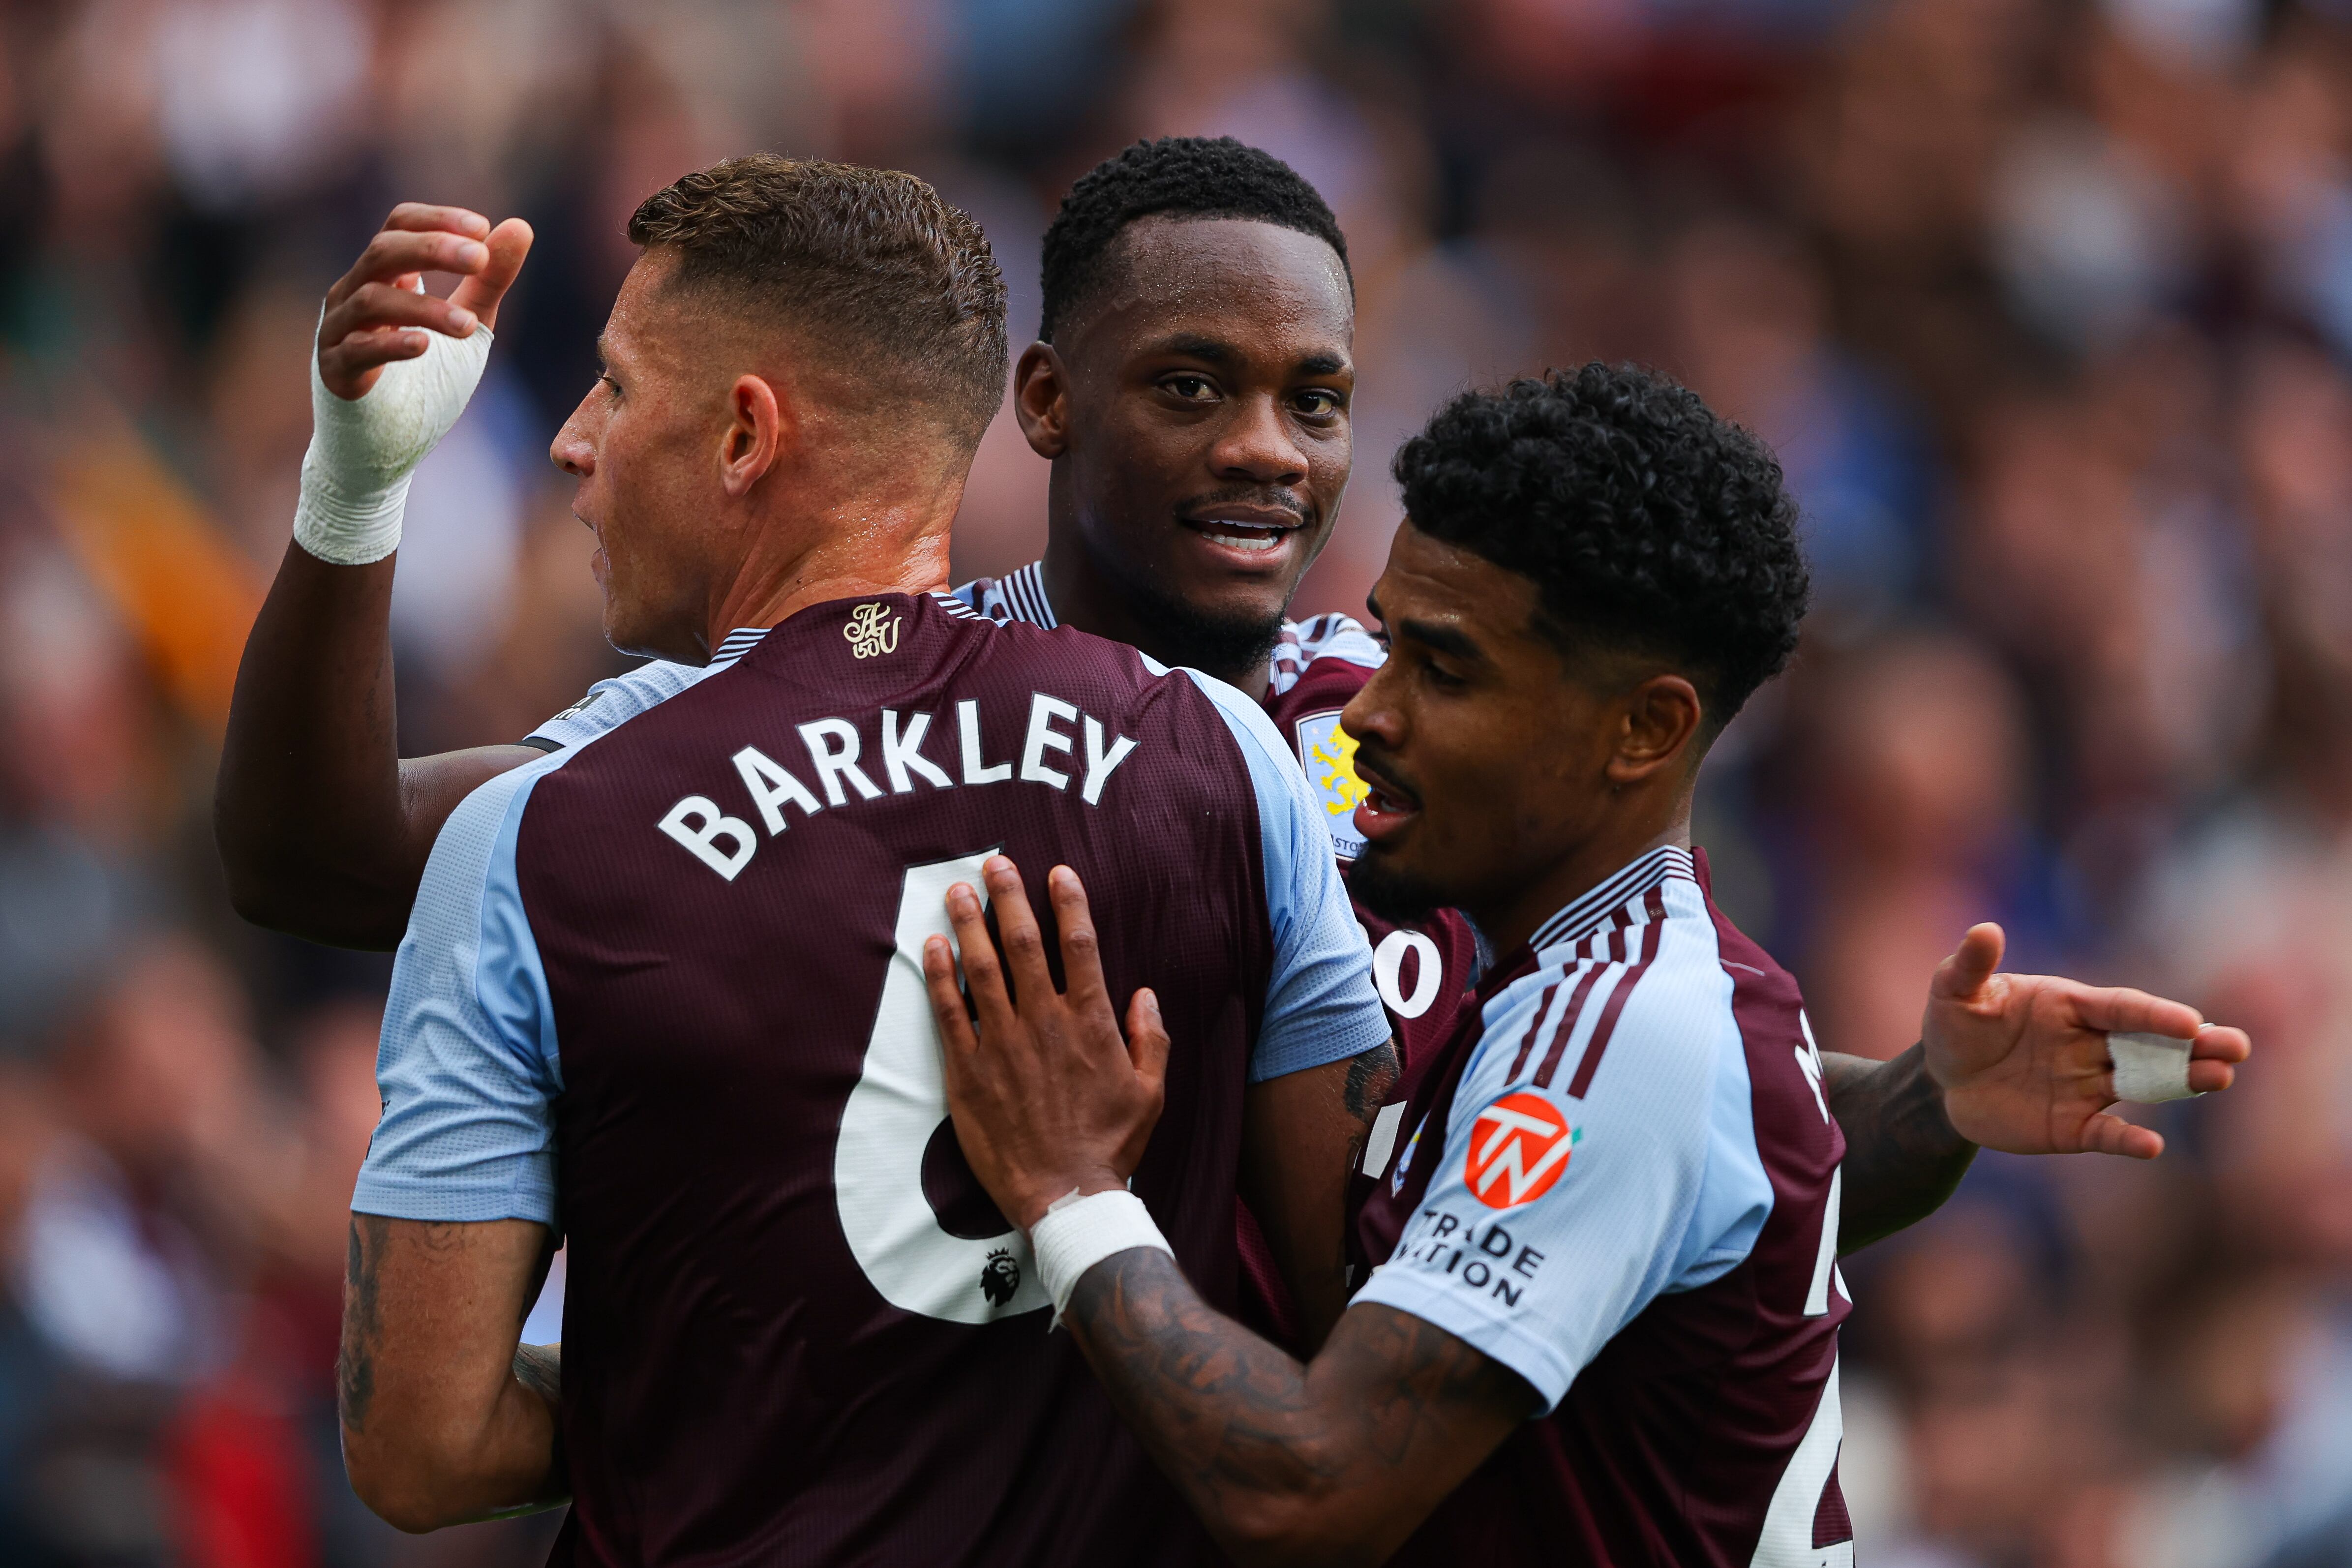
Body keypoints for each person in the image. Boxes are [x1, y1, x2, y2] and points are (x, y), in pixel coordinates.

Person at [217, 138, 2105, 1290]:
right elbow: (328, 856)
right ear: (1045, 402)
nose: (1266, 450)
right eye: (1193, 385)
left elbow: (1656, 1152)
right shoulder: (866, 702)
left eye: (1314, 398)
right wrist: (355, 490)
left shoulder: (1425, 746)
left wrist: (1927, 1099)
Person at [921, 365, 2254, 1568]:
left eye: (1444, 670)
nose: (1370, 710)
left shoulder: (1624, 1032)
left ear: (1643, 731)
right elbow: (1726, 1206)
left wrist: (1073, 1192)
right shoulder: (1633, 983)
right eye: (1388, 639)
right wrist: (1929, 1098)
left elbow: (1312, 1489)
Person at [324, 155, 1395, 1565]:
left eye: (620, 389)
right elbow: (1345, 1320)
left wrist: (760, 1370)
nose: (576, 440)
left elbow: (421, 1447)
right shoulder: (1228, 759)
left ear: (745, 435)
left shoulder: (546, 828)